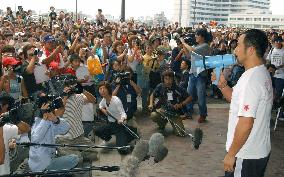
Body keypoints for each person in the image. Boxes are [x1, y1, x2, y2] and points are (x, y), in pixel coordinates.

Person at [215, 29, 272, 177]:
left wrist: (231, 154)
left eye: (239, 45)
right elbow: (237, 100)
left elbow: (246, 122)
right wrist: (223, 86)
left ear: (251, 50)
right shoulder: (260, 72)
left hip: (245, 154)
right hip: (256, 150)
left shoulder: (251, 80)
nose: (235, 49)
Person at [28, 98, 79, 172]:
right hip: (41, 165)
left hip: (50, 157)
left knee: (73, 156)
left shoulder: (49, 120)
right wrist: (45, 119)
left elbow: (65, 129)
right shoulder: (36, 122)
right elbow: (36, 139)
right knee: (74, 158)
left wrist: (56, 120)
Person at [94, 81, 137, 154]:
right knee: (96, 130)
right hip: (111, 125)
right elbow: (100, 105)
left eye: (104, 88)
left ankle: (129, 135)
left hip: (120, 125)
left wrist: (122, 119)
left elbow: (123, 113)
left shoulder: (116, 100)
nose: (102, 91)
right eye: (100, 89)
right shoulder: (104, 100)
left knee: (121, 150)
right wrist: (103, 110)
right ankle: (108, 139)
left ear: (108, 90)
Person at [181, 28, 212, 123]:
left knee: (201, 96)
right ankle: (188, 113)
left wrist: (184, 42)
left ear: (202, 36)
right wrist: (184, 47)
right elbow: (189, 56)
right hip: (192, 74)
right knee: (189, 95)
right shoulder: (197, 46)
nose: (195, 36)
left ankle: (203, 114)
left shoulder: (205, 46)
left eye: (197, 35)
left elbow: (193, 50)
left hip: (200, 76)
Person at [148, 70, 192, 136]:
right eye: (166, 79)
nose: (168, 81)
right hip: (163, 110)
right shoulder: (160, 86)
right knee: (153, 115)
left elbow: (190, 97)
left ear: (173, 79)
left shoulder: (177, 88)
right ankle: (162, 124)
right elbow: (152, 94)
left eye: (170, 79)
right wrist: (151, 104)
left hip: (174, 113)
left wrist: (181, 104)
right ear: (163, 79)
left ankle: (174, 123)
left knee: (181, 133)